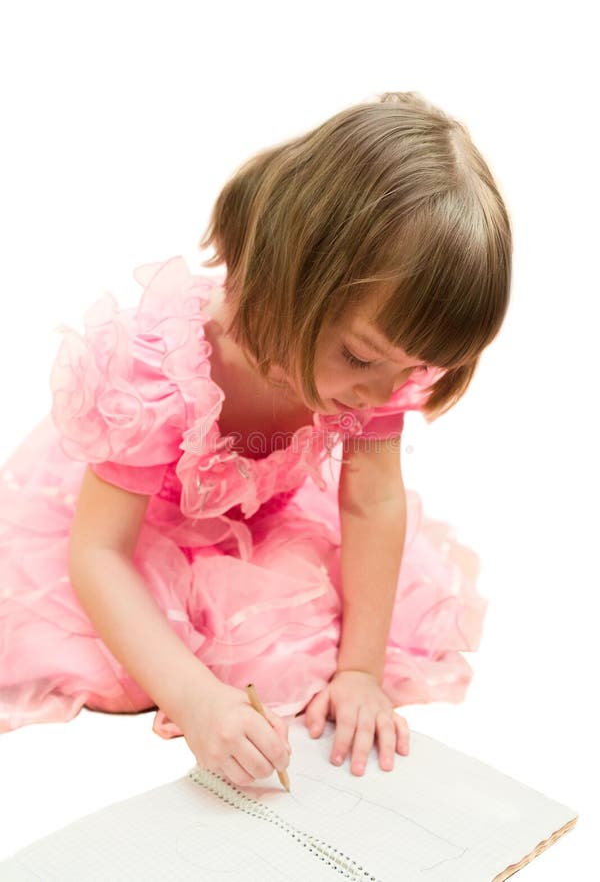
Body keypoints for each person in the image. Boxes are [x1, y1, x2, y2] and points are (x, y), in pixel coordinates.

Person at [0, 91, 511, 787]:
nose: (375, 393)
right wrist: (194, 698)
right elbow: (97, 552)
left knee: (298, 652)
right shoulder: (156, 368)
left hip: (256, 526)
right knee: (122, 658)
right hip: (128, 532)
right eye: (360, 358)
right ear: (289, 275)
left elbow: (371, 505)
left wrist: (361, 672)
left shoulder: (376, 372)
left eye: (406, 369)